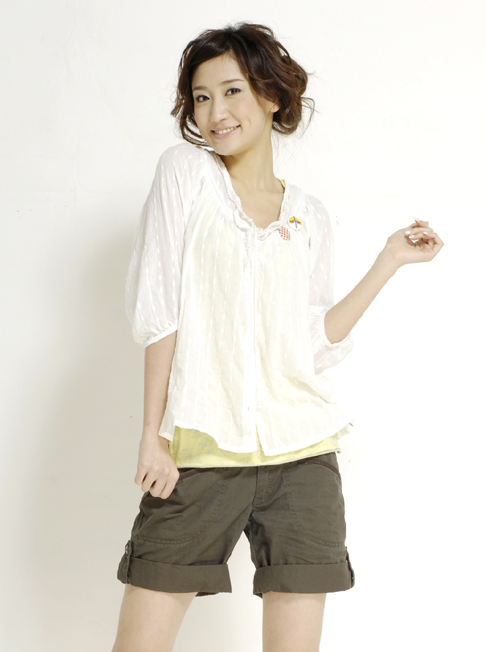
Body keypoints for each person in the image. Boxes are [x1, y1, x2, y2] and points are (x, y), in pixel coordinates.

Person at [111, 22, 444, 652]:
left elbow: (312, 342)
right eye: (201, 97)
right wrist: (153, 435)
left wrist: (389, 261)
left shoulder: (308, 214)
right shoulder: (186, 175)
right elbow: (161, 312)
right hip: (202, 452)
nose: (215, 111)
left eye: (232, 91)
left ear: (270, 95)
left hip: (303, 457)